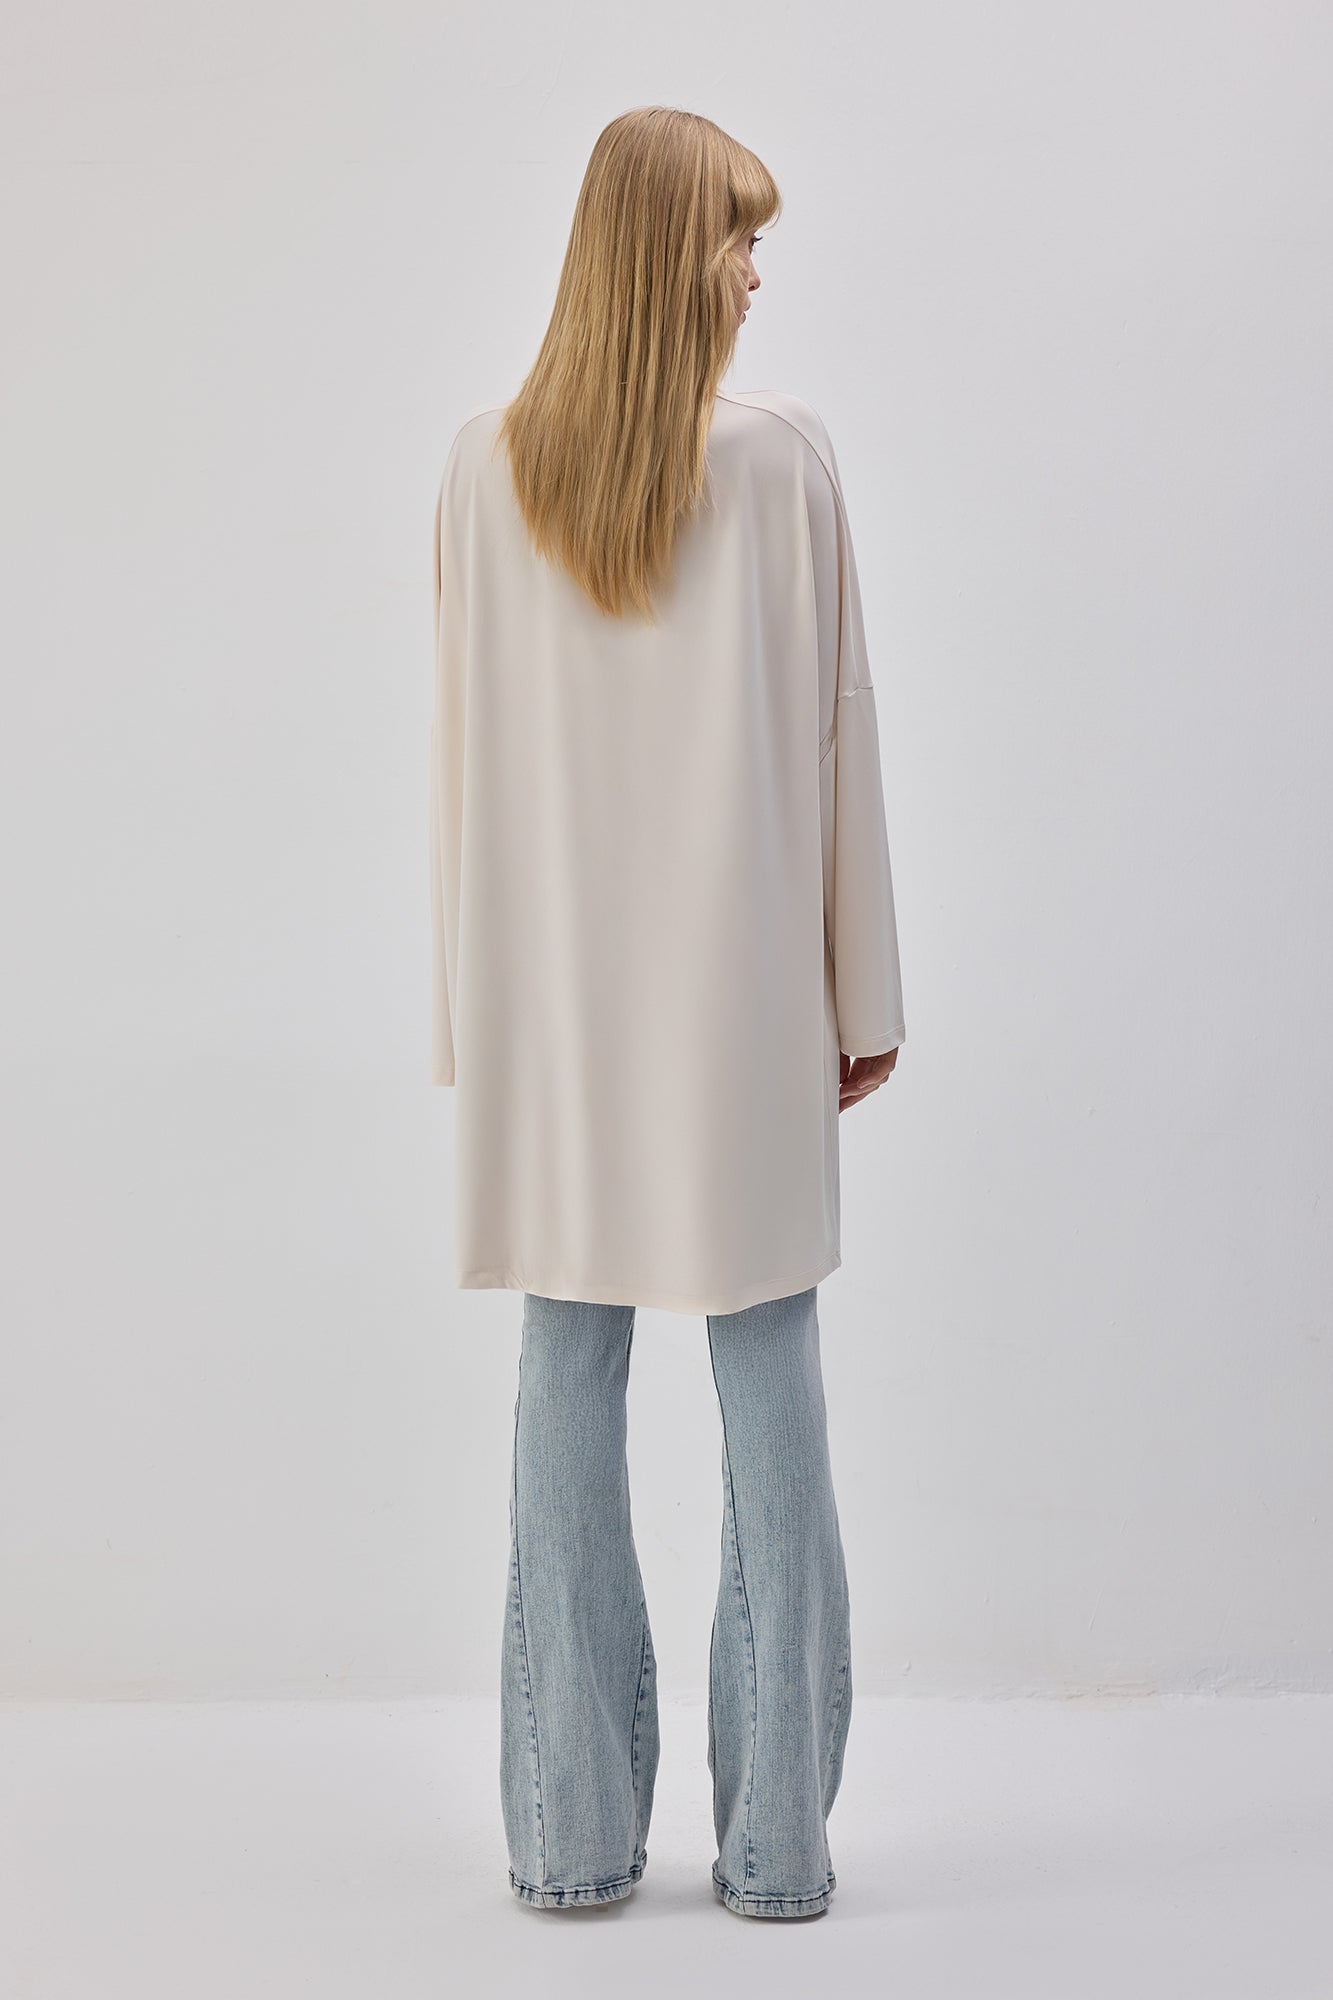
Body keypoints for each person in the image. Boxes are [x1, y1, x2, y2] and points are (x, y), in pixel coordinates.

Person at [428, 106, 906, 1920]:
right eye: (735, 238)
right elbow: (841, 735)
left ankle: (566, 1839)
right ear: (666, 254)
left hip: (552, 1008)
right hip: (743, 1003)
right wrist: (863, 987)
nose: (756, 272)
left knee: (567, 1364)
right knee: (765, 1364)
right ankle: (777, 1847)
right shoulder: (782, 461)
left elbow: (461, 760)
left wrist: (472, 1012)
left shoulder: (481, 468)